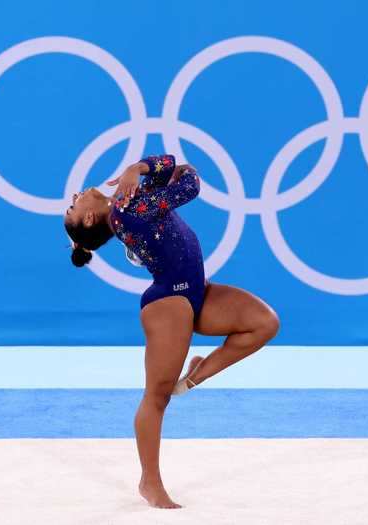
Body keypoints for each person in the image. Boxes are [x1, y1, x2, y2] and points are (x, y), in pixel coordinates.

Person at [63, 154, 280, 509]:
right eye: (72, 206)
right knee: (157, 395)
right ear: (89, 217)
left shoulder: (128, 199)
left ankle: (197, 374)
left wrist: (141, 169)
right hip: (169, 300)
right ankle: (150, 482)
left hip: (199, 291)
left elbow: (168, 163)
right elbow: (189, 183)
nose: (75, 195)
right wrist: (167, 172)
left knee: (264, 323)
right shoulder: (124, 213)